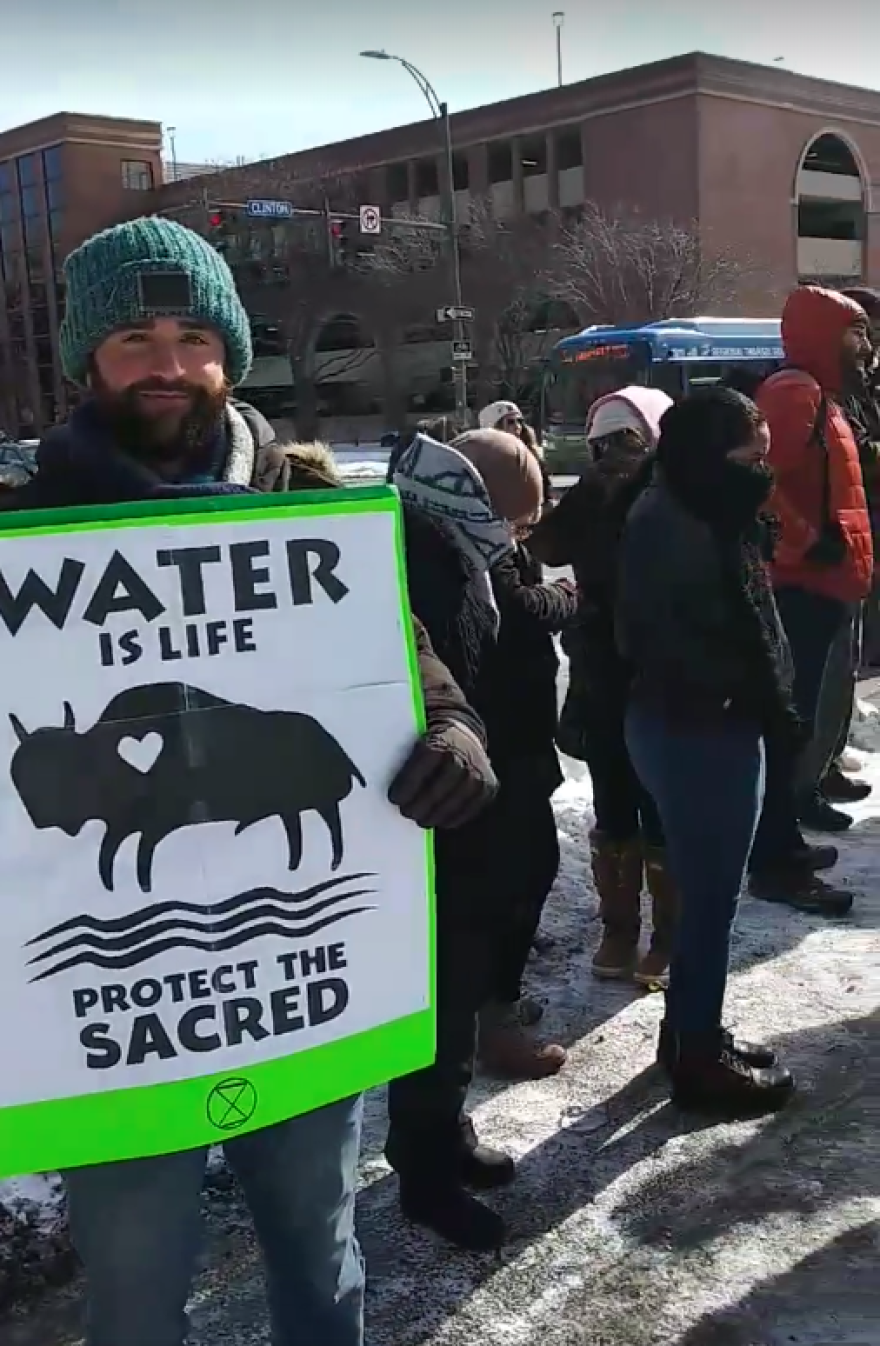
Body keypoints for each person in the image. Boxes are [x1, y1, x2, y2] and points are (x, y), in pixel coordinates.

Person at [2, 217, 501, 1346]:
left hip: (302, 992)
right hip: (109, 1017)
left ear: (230, 349)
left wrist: (458, 735)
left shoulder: (305, 498)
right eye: (136, 338)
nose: (169, 365)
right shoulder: (24, 530)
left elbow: (411, 668)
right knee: (134, 1300)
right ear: (90, 359)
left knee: (322, 1258)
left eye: (192, 336)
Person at [616, 387, 796, 1116]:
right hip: (697, 731)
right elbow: (663, 638)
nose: (763, 461)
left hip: (707, 727)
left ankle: (691, 1032)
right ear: (706, 452)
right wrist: (737, 693)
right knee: (709, 902)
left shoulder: (700, 505)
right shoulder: (672, 523)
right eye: (749, 449)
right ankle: (697, 1059)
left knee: (708, 898)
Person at [388, 426, 545, 1250]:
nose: (520, 543)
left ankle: (443, 1135)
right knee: (438, 1003)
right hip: (437, 815)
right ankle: (422, 1172)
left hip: (478, 802)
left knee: (459, 984)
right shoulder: (420, 557)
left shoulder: (457, 544)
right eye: (518, 525)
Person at [529, 387, 676, 987]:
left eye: (625, 440)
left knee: (640, 801)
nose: (613, 454)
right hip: (625, 674)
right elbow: (548, 546)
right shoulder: (625, 492)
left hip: (635, 675)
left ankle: (645, 933)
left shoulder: (652, 497)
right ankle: (638, 931)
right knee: (632, 800)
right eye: (604, 444)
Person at [755, 287, 874, 836]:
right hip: (806, 582)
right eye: (858, 331)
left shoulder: (824, 394)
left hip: (832, 578)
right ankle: (784, 822)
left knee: (823, 697)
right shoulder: (793, 395)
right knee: (801, 706)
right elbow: (764, 484)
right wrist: (803, 544)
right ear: (828, 334)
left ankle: (803, 794)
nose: (866, 345)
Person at [476, 497, 580, 1077]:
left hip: (515, 738)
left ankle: (495, 1004)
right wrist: (566, 597)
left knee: (526, 868)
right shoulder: (482, 546)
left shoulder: (492, 540)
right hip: (502, 740)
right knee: (520, 872)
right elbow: (520, 608)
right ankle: (494, 1019)